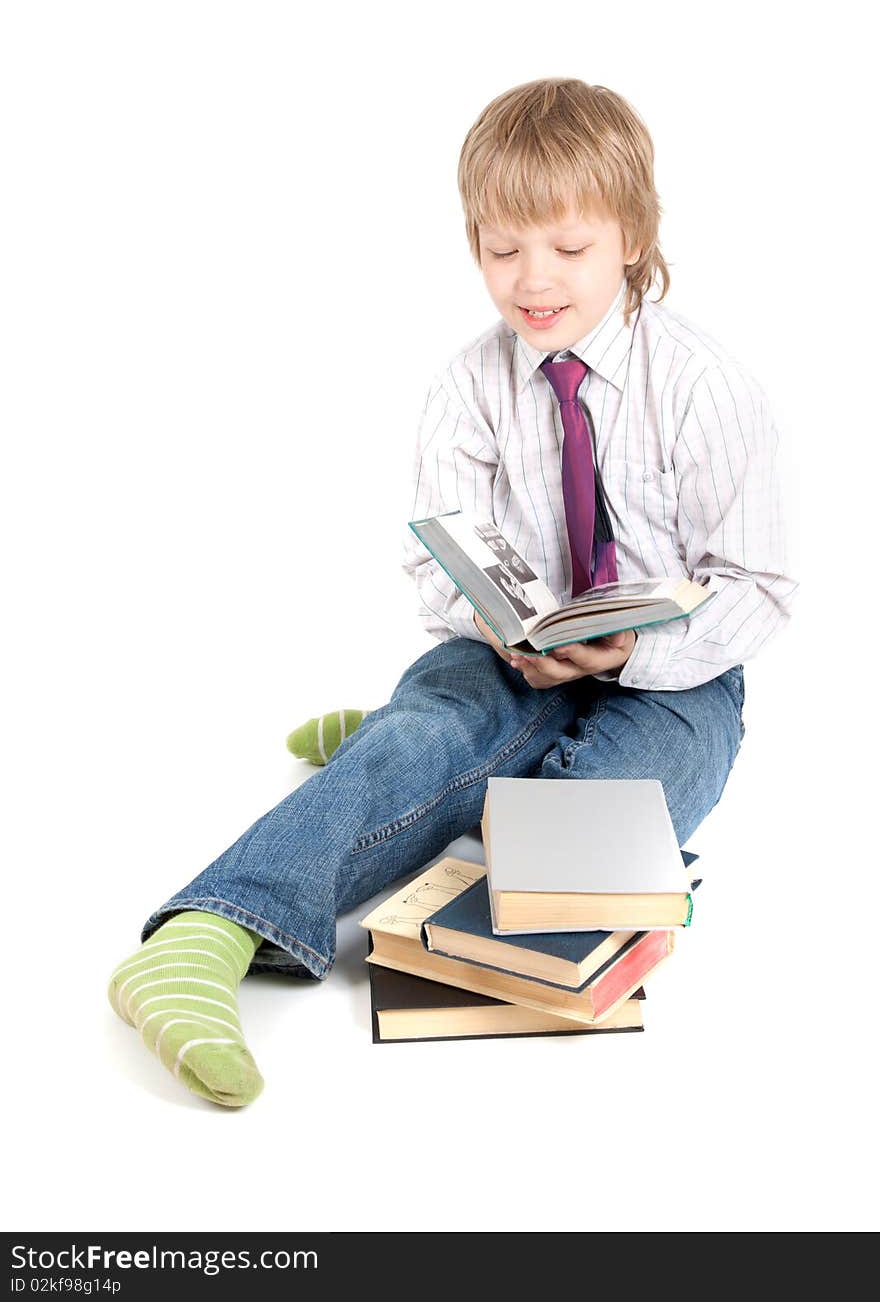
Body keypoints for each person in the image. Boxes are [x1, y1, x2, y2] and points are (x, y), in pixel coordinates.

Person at [107, 77, 798, 1107]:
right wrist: (491, 620)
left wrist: (629, 654)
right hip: (505, 657)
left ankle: (405, 742)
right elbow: (435, 553)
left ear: (634, 238)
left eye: (567, 249)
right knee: (441, 726)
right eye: (501, 248)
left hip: (673, 680)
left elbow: (760, 588)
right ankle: (214, 927)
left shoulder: (705, 387)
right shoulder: (465, 385)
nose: (533, 279)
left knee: (620, 804)